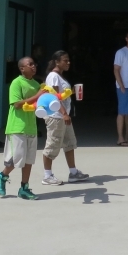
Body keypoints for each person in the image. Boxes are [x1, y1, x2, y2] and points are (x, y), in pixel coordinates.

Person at [0, 56, 44, 200]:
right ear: (22, 68)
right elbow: (16, 104)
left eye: (34, 64)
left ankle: (24, 188)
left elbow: (39, 104)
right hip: (17, 127)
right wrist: (37, 95)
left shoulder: (36, 84)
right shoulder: (16, 83)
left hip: (31, 127)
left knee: (29, 160)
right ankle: (2, 175)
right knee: (16, 159)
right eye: (30, 64)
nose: (33, 66)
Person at [40, 50, 89, 186]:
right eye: (65, 60)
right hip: (56, 117)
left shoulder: (59, 76)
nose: (68, 62)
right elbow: (53, 98)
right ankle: (47, 175)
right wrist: (64, 113)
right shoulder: (53, 76)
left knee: (69, 144)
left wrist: (71, 92)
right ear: (57, 62)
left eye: (68, 60)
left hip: (62, 116)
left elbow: (60, 94)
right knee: (52, 146)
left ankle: (73, 173)